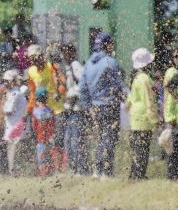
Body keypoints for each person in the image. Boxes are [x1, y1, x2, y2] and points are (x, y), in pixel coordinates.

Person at [79, 32, 124, 178]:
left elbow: (82, 89)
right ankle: (106, 172)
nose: (112, 46)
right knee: (109, 138)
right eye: (111, 43)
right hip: (110, 105)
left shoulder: (88, 64)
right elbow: (118, 87)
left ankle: (97, 171)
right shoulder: (111, 62)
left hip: (95, 107)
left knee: (101, 138)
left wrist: (89, 107)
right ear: (107, 44)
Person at [26, 44, 66, 172]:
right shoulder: (31, 72)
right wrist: (29, 109)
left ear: (41, 56)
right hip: (41, 112)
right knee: (43, 140)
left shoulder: (52, 66)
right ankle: (45, 168)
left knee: (58, 139)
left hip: (57, 109)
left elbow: (62, 82)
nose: (34, 61)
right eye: (31, 59)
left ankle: (59, 167)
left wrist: (59, 93)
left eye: (35, 57)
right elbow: (32, 92)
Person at [125, 48, 158, 181]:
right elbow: (149, 100)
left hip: (135, 118)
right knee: (142, 149)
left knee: (138, 148)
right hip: (143, 118)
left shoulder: (137, 77)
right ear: (146, 64)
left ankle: (134, 174)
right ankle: (139, 175)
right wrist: (155, 119)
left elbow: (130, 99)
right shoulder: (145, 79)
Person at [0, 69, 26, 174]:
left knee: (12, 151)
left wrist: (1, 105)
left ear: (13, 81)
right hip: (14, 126)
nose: (5, 83)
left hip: (15, 126)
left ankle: (13, 172)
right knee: (13, 150)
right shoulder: (12, 91)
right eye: (5, 80)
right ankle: (14, 171)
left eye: (7, 81)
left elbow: (8, 110)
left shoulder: (14, 93)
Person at [61, 44, 89, 175]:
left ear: (72, 52)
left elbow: (84, 83)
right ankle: (74, 168)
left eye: (67, 52)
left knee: (76, 141)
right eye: (63, 53)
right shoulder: (68, 67)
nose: (64, 55)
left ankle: (81, 169)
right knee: (69, 140)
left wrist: (73, 95)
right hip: (71, 110)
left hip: (77, 109)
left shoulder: (76, 65)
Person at [31, 87, 56, 177]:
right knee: (50, 156)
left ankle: (43, 174)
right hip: (49, 138)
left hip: (40, 139)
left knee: (41, 158)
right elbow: (53, 124)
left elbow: (34, 126)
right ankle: (50, 172)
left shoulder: (35, 112)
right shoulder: (50, 110)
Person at [163, 50, 178, 180]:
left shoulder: (171, 72)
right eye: (176, 56)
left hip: (171, 114)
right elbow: (168, 86)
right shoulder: (173, 73)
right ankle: (172, 175)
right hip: (174, 116)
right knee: (174, 149)